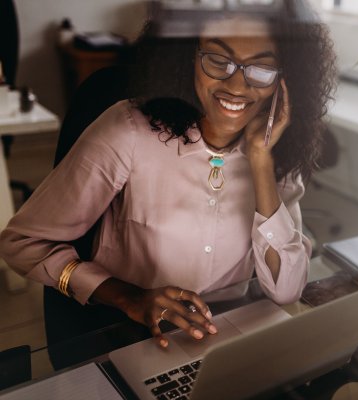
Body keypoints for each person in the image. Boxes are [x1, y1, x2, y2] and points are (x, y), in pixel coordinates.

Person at [0, 0, 337, 349]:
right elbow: (21, 243)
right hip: (130, 336)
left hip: (228, 338)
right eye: (218, 60)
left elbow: (287, 291)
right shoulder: (128, 132)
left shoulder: (273, 152)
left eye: (262, 69)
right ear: (186, 55)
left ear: (285, 79)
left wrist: (261, 162)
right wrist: (127, 296)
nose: (237, 85)